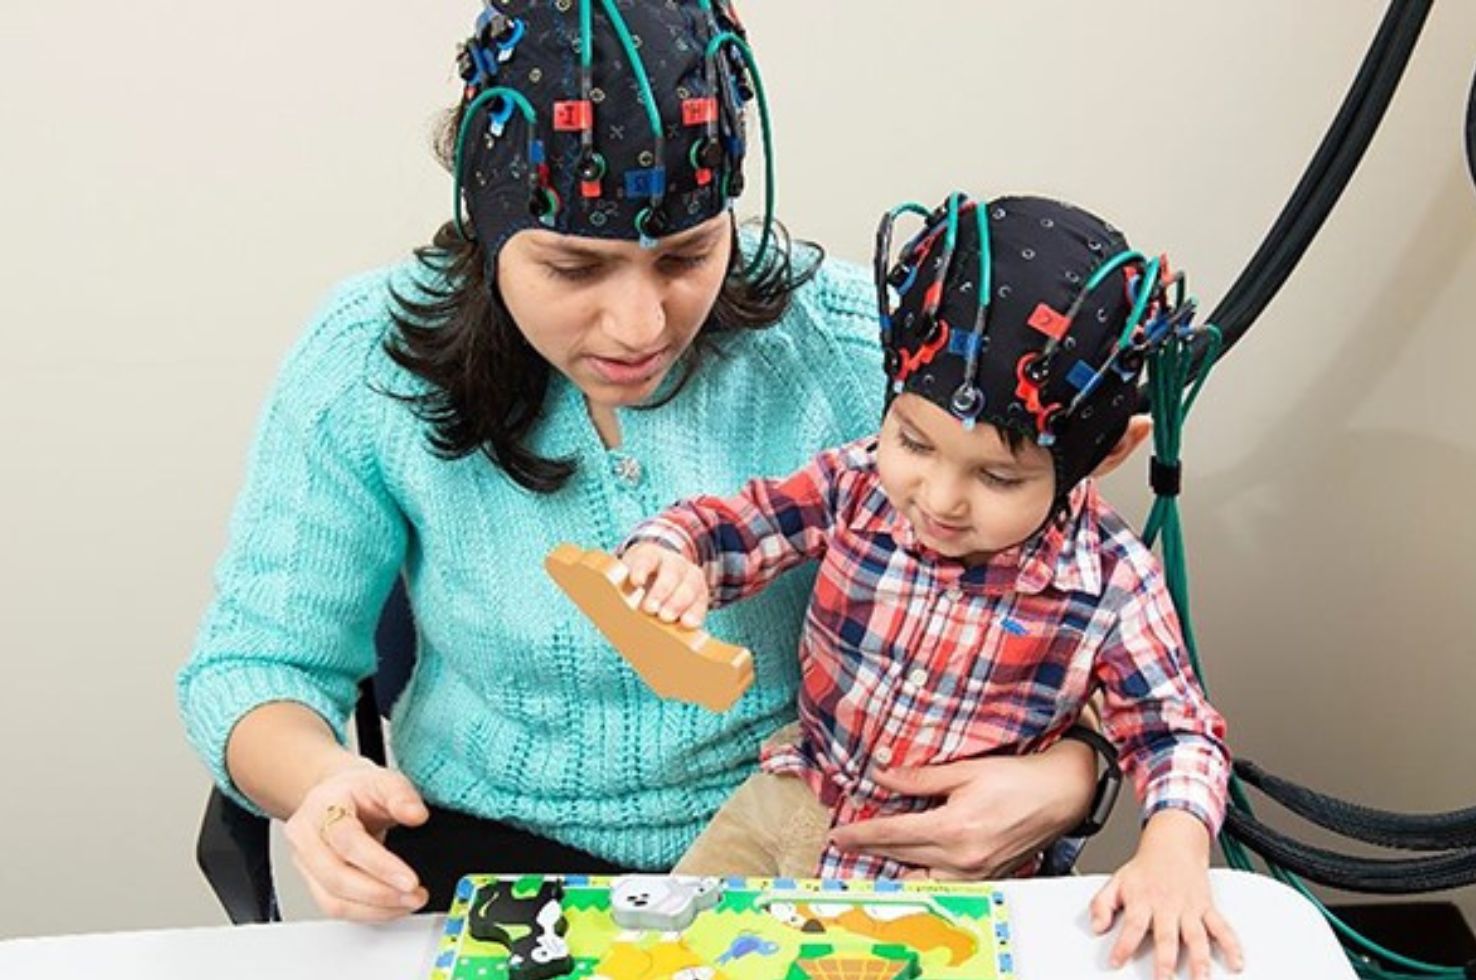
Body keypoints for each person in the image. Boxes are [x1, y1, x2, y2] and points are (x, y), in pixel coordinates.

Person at [176, 1, 1101, 922]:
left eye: (687, 257)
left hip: (814, 841)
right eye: (574, 269)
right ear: (486, 224)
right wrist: (323, 784)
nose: (640, 327)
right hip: (485, 853)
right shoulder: (365, 364)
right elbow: (257, 664)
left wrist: (1068, 777)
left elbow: (1093, 622)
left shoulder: (874, 357)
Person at [619, 193, 1244, 979]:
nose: (940, 499)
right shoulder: (858, 484)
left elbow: (1175, 732)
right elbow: (738, 524)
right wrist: (671, 552)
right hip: (789, 800)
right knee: (665, 959)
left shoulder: (1113, 584)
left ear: (1109, 453)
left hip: (952, 877)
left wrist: (1176, 852)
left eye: (998, 476)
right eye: (913, 440)